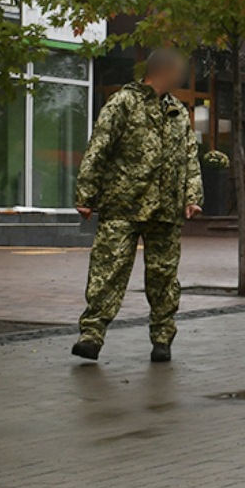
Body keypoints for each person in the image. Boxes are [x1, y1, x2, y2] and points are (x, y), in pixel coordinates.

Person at [70, 48, 203, 363]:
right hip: (124, 204)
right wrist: (86, 195)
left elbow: (189, 157)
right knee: (108, 270)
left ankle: (162, 338)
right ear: (162, 71)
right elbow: (98, 149)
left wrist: (192, 195)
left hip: (166, 209)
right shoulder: (123, 103)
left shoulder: (178, 112)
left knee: (164, 276)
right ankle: (91, 335)